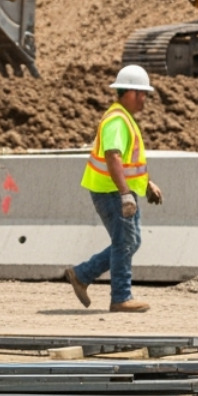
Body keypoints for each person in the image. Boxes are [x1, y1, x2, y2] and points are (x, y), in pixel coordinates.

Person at [63, 64, 164, 312]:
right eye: (141, 94)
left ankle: (82, 274)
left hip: (114, 189)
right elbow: (113, 157)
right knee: (125, 241)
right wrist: (125, 194)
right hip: (110, 190)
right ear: (127, 92)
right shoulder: (117, 121)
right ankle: (120, 297)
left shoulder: (123, 118)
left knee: (130, 240)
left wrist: (145, 183)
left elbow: (127, 160)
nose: (144, 99)